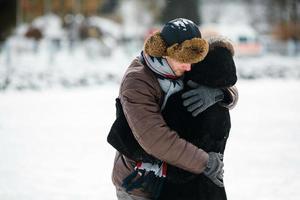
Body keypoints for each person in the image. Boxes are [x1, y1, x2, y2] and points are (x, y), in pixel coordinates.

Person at [110, 18, 238, 200]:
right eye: (183, 61)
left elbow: (226, 82)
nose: (189, 67)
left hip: (175, 180)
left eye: (193, 60)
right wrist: (205, 162)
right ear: (163, 52)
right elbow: (155, 138)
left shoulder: (185, 63)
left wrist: (219, 93)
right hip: (140, 184)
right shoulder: (137, 81)